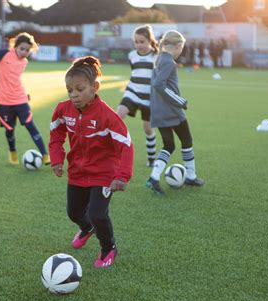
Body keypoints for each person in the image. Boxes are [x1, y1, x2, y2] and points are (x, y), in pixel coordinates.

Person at [49, 56, 134, 268]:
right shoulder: (63, 109)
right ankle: (86, 228)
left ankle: (108, 248)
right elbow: (56, 134)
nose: (73, 95)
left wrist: (122, 176)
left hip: (104, 174)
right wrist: (57, 159)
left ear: (94, 87)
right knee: (74, 212)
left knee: (97, 214)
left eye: (79, 89)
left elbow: (126, 145)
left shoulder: (108, 116)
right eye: (69, 90)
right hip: (77, 172)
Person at [146, 30, 205, 195]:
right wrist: (180, 101)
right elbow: (159, 84)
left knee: (169, 145)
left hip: (158, 111)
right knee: (187, 139)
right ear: (178, 46)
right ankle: (191, 176)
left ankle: (154, 177)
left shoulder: (159, 59)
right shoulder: (169, 62)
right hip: (170, 111)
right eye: (182, 48)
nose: (181, 51)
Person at [0, 32, 50, 165]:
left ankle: (45, 154)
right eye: (22, 48)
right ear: (15, 47)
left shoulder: (24, 62)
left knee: (31, 126)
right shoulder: (3, 54)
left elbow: (15, 79)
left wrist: (25, 94)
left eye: (27, 50)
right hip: (4, 100)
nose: (24, 52)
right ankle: (13, 152)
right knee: (9, 129)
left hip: (20, 99)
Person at [117, 25, 158, 167]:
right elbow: (134, 73)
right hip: (132, 92)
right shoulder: (132, 55)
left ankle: (152, 158)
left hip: (149, 98)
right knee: (118, 116)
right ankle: (116, 152)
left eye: (142, 41)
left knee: (147, 128)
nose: (139, 45)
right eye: (136, 42)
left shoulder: (156, 56)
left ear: (149, 41)